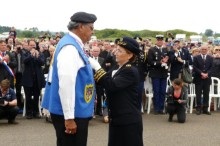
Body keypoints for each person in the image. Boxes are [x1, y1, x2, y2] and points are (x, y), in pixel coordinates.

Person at [41, 12, 97, 146]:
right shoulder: (70, 48)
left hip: (76, 109)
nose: (92, 32)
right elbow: (66, 85)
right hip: (72, 113)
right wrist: (69, 118)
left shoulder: (72, 44)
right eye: (91, 28)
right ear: (81, 27)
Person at [89, 37, 143, 146]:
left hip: (128, 121)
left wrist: (97, 66)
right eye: (116, 49)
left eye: (119, 51)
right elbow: (102, 81)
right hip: (116, 118)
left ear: (130, 55)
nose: (115, 52)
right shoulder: (117, 68)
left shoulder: (130, 70)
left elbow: (111, 85)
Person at [147, 35, 169, 114]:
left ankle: (161, 108)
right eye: (158, 40)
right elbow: (150, 61)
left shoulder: (165, 49)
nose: (160, 41)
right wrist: (159, 62)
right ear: (156, 41)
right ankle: (156, 108)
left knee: (163, 91)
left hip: (164, 73)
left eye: (161, 40)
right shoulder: (152, 49)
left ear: (163, 41)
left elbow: (168, 60)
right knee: (156, 91)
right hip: (155, 73)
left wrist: (166, 61)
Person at [193, 45, 213, 115]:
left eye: (205, 49)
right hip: (198, 78)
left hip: (207, 78)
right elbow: (194, 67)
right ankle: (198, 108)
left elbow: (211, 67)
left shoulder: (210, 58)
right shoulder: (196, 58)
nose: (204, 50)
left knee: (206, 94)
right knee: (198, 94)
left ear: (207, 50)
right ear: (200, 50)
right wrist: (201, 73)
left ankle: (205, 108)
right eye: (202, 49)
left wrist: (207, 74)